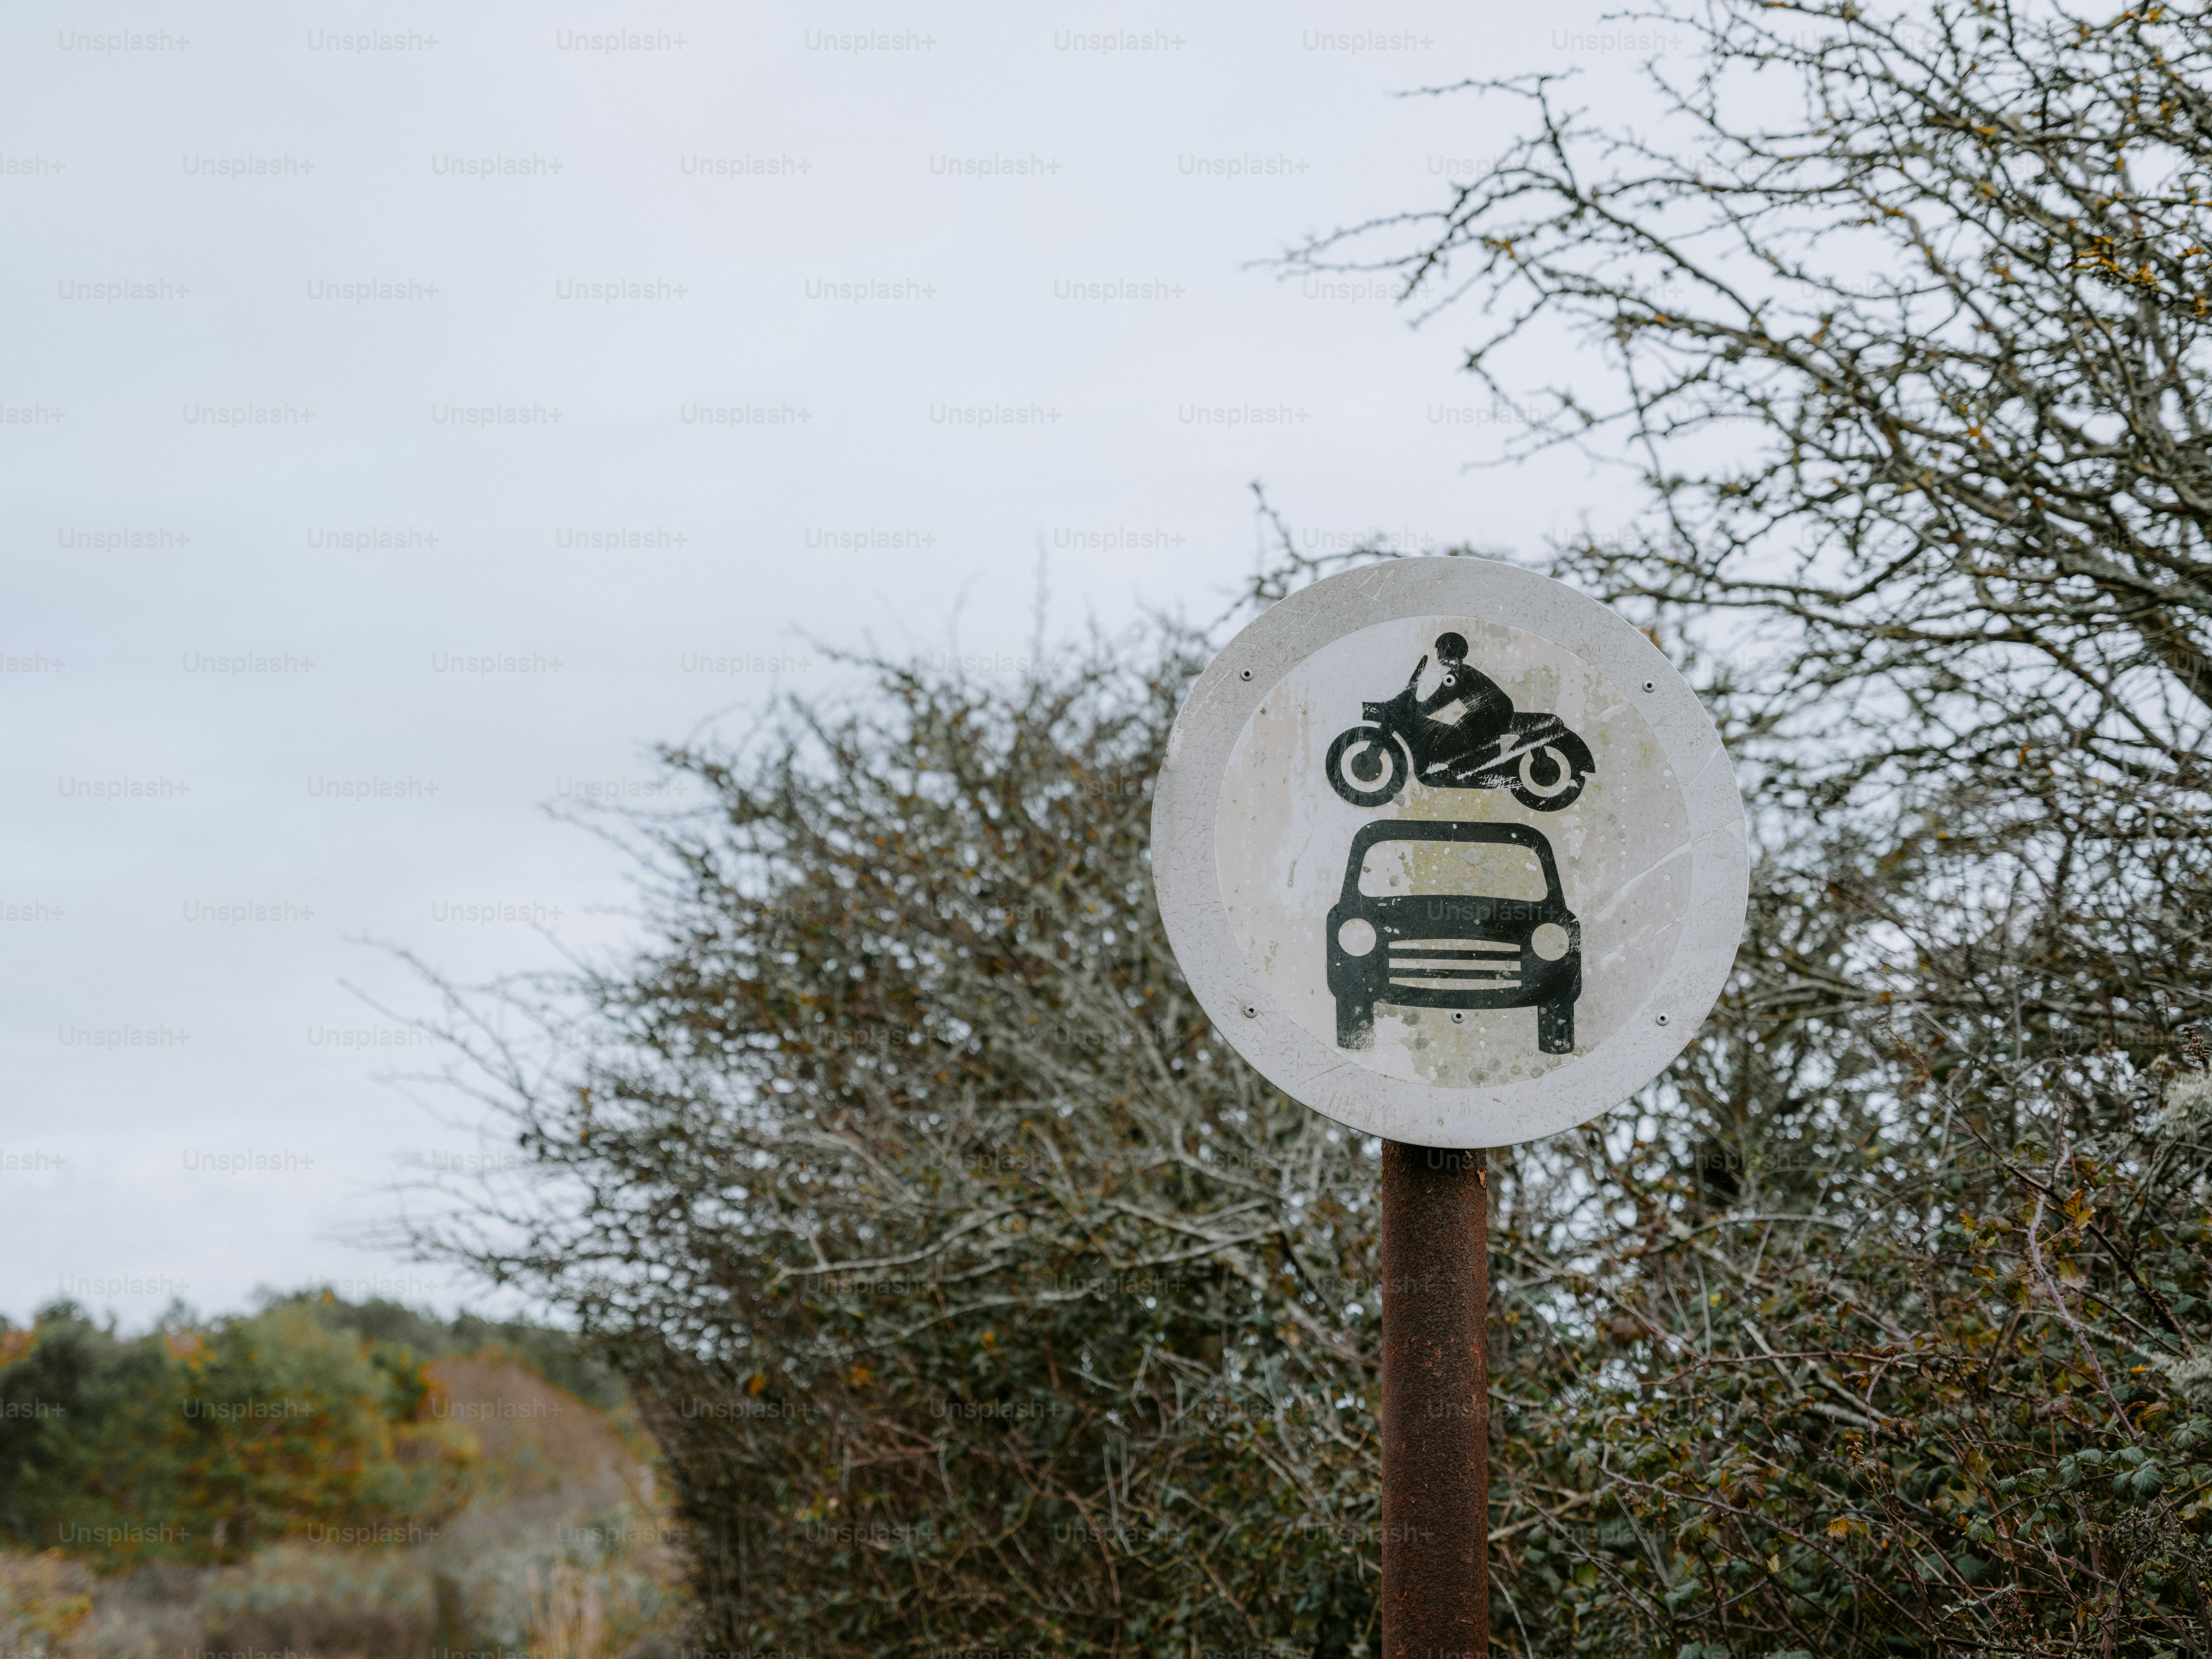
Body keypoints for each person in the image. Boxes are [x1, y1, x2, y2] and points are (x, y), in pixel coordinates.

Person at [1412, 632, 1515, 766]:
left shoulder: (1457, 675)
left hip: (1494, 716)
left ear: (1447, 650)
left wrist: (1417, 709)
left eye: (1440, 650)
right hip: (1495, 713)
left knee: (1449, 738)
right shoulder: (1464, 671)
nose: (1438, 654)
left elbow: (1437, 701)